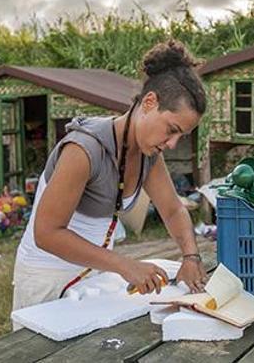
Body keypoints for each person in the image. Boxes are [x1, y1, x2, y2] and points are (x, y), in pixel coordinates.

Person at [12, 39, 207, 327]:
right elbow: (47, 232)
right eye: (171, 130)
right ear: (149, 102)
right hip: (46, 279)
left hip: (92, 272)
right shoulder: (83, 150)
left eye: (182, 136)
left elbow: (172, 209)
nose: (173, 143)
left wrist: (191, 257)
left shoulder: (148, 154)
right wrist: (125, 265)